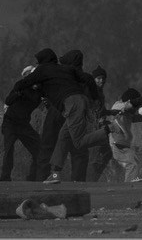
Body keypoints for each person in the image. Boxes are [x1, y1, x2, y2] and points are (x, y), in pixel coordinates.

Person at [13, 48, 111, 184]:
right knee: (74, 148)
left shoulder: (58, 72)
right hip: (75, 110)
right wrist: (95, 101)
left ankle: (108, 131)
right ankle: (67, 179)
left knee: (55, 146)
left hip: (62, 110)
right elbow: (89, 84)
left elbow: (36, 84)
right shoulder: (76, 74)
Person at [0, 65, 42, 182]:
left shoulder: (40, 92)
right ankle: (5, 177)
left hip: (23, 124)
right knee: (8, 150)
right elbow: (8, 100)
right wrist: (18, 93)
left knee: (39, 148)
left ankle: (34, 177)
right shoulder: (21, 86)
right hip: (11, 122)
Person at [87, 65, 118, 182]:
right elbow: (90, 110)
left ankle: (92, 179)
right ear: (93, 79)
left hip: (100, 126)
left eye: (103, 78)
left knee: (106, 153)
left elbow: (101, 110)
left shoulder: (100, 92)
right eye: (98, 78)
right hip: (94, 128)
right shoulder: (90, 92)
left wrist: (112, 112)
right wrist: (98, 121)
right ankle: (89, 181)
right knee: (96, 156)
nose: (102, 81)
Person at [108, 88, 142, 182]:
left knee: (135, 162)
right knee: (131, 165)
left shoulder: (124, 110)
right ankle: (129, 187)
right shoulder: (119, 106)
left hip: (122, 143)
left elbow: (132, 117)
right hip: (117, 143)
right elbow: (128, 108)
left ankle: (131, 183)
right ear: (129, 101)